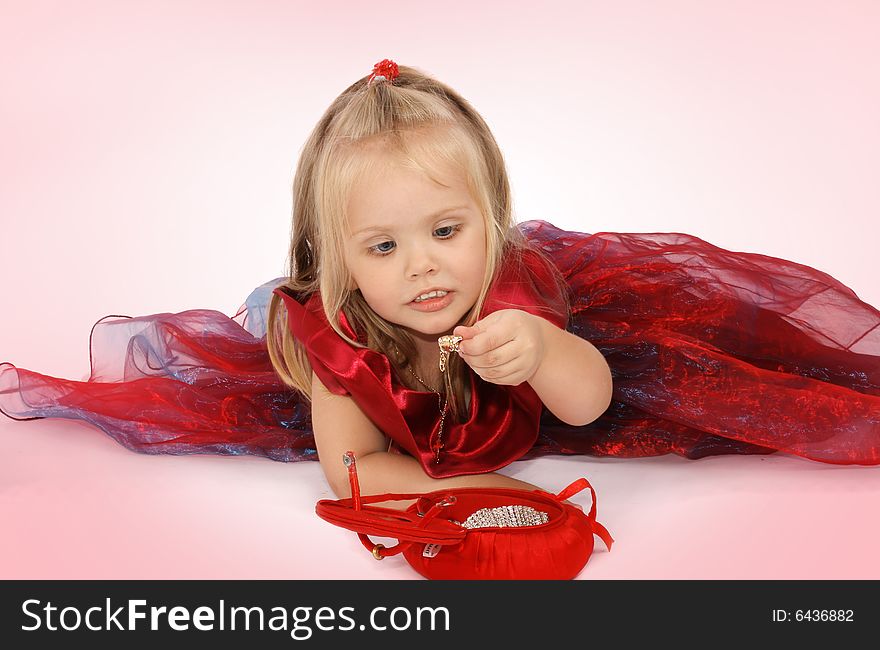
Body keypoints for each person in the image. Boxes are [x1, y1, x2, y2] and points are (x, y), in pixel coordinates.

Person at [2, 59, 879, 508]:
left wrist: (539, 347)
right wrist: (459, 493)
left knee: (741, 366)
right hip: (420, 428)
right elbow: (351, 473)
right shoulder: (340, 339)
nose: (423, 265)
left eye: (447, 232)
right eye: (381, 247)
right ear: (336, 261)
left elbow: (588, 404)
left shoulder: (513, 290)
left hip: (554, 346)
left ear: (490, 223)